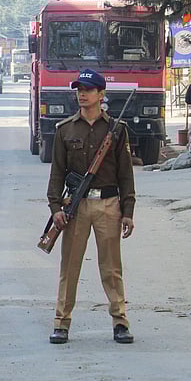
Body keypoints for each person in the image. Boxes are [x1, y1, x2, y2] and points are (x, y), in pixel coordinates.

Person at [46, 68, 136, 345]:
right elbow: (57, 173)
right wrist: (55, 209)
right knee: (69, 267)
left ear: (101, 94)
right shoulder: (65, 130)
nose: (81, 94)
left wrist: (128, 212)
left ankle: (120, 321)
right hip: (76, 206)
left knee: (111, 268)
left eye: (87, 90)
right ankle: (61, 323)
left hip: (109, 204)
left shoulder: (117, 130)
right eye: (78, 90)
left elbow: (125, 175)